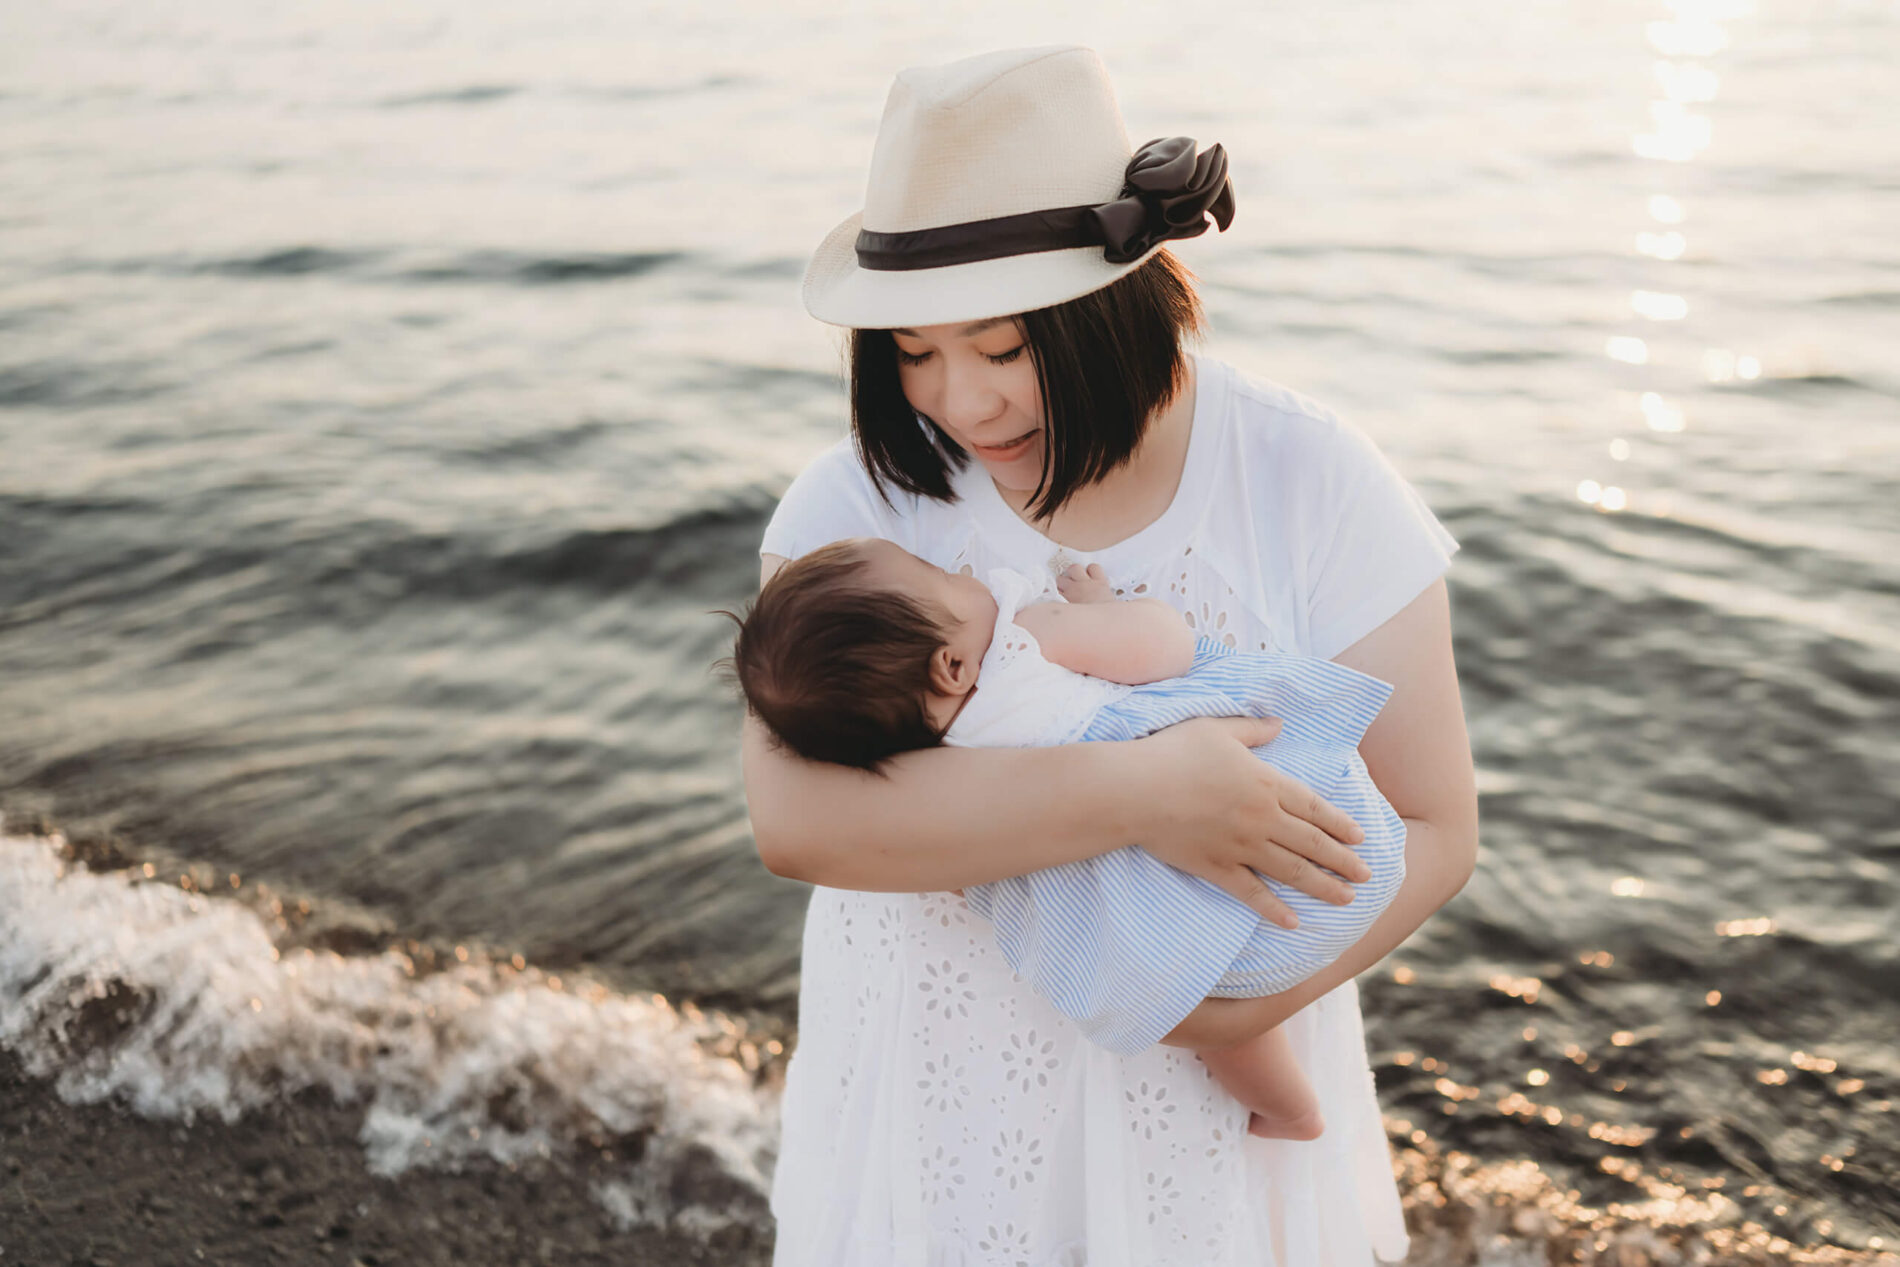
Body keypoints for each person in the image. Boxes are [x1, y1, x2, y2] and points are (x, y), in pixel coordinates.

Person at [746, 44, 1478, 1266]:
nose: (961, 405)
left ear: (1113, 307)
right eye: (913, 353)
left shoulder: (1307, 474)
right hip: (935, 1084)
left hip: (1209, 1095)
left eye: (999, 346)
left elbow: (1436, 822)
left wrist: (1239, 1011)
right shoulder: (859, 506)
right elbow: (799, 821)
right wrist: (1148, 792)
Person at [725, 536, 1412, 1142]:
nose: (964, 574)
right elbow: (1163, 647)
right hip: (1314, 879)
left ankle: (1289, 1108)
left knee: (1209, 1004)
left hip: (1187, 960)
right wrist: (1098, 609)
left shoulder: (934, 761)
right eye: (938, 573)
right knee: (1278, 760)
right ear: (951, 667)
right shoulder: (1023, 639)